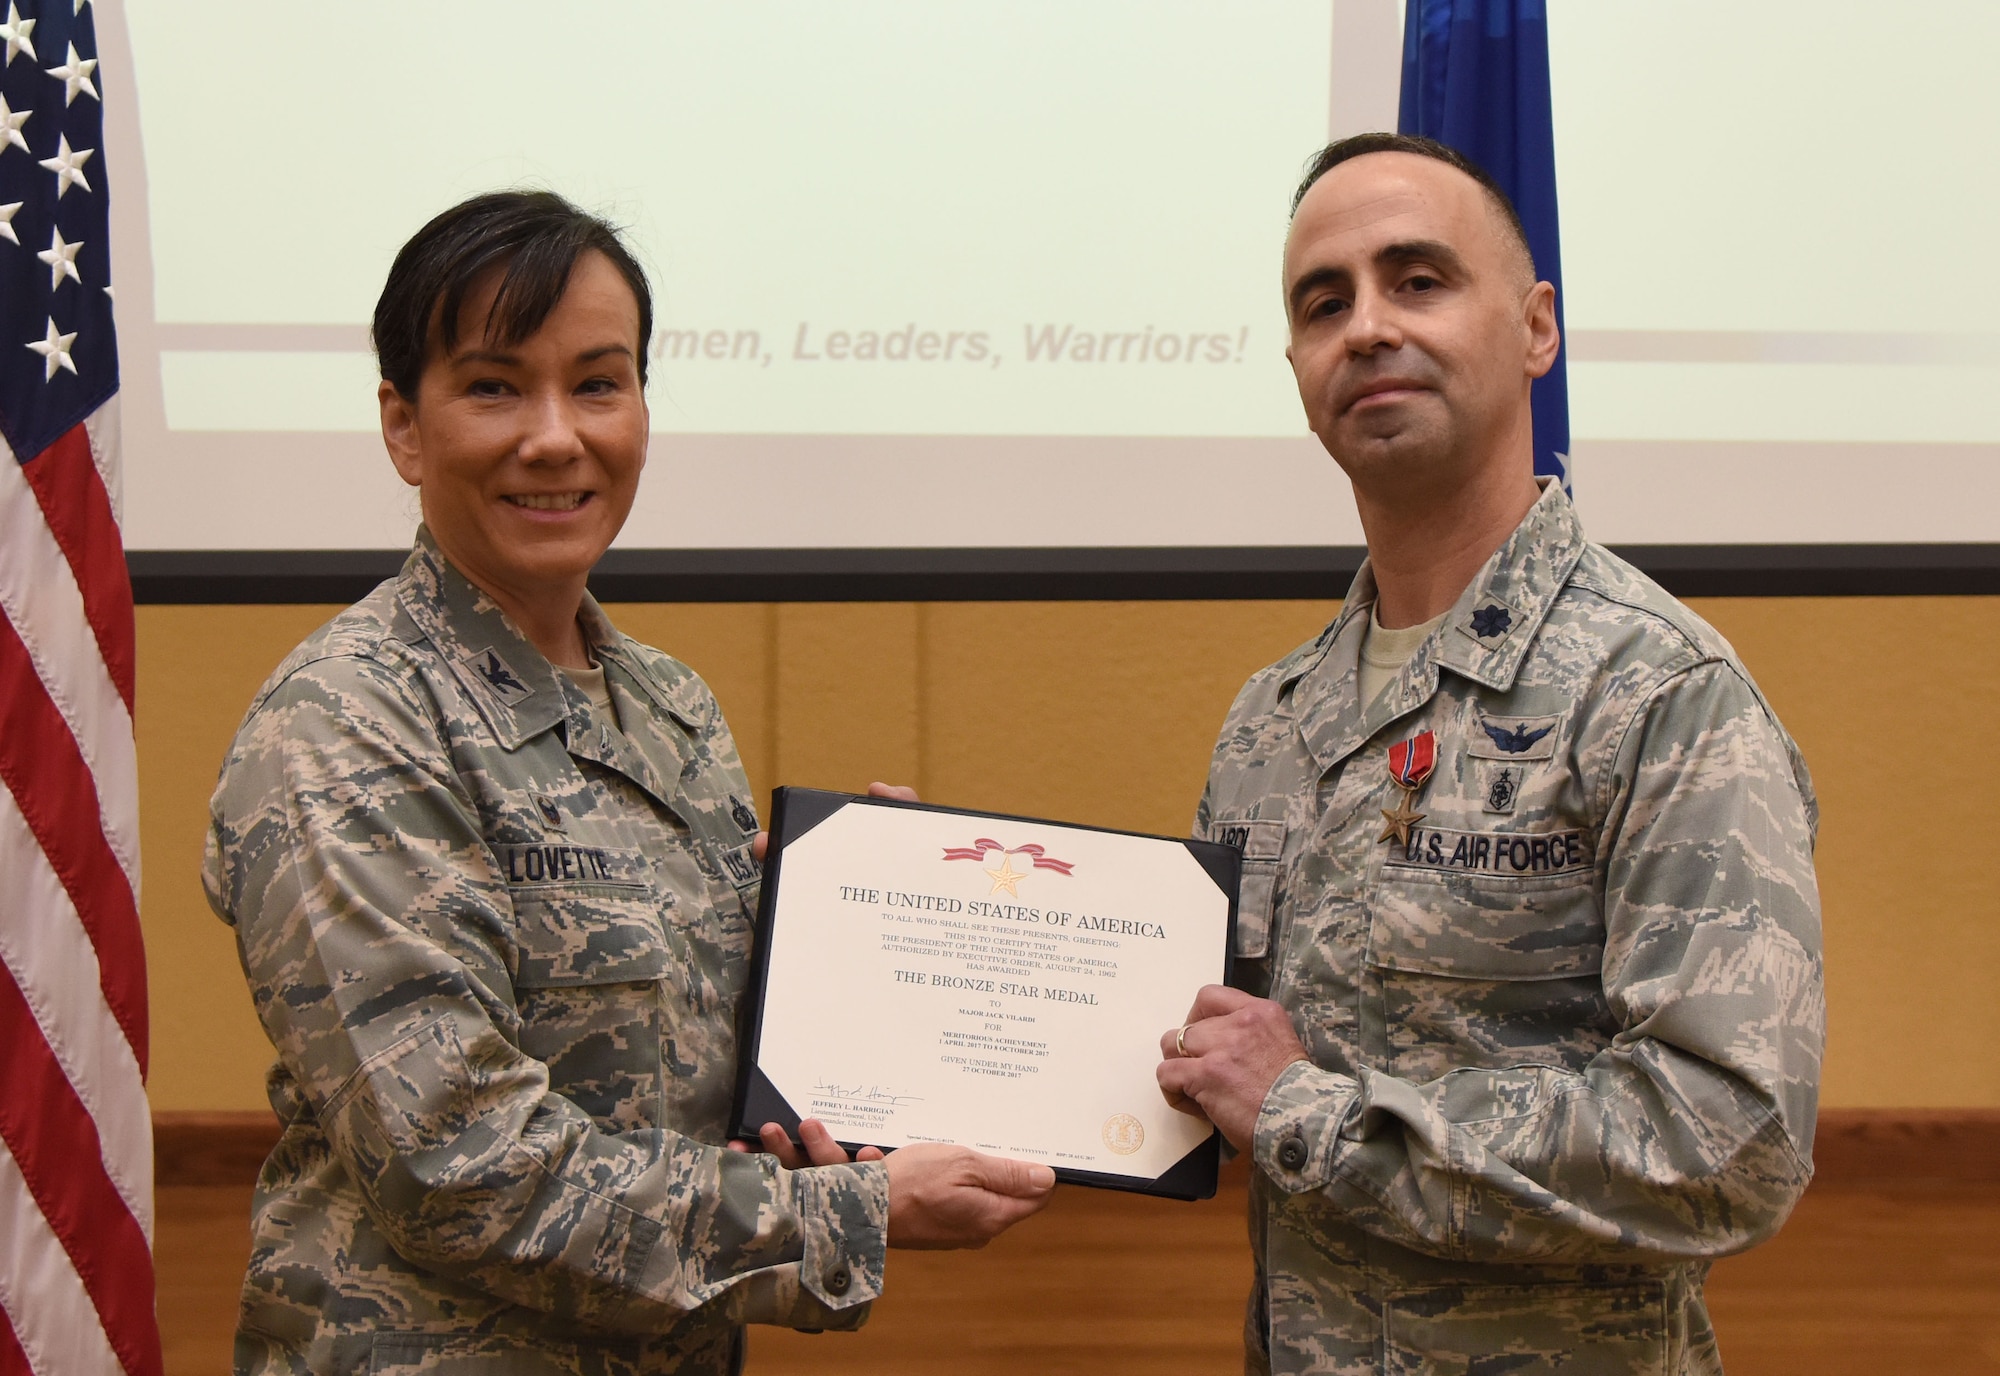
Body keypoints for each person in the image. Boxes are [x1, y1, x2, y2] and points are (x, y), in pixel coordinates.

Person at [203, 190, 1054, 1376]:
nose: (557, 436)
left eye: (598, 382)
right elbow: (457, 1165)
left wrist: (883, 922)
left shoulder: (669, 707)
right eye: (494, 386)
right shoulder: (346, 722)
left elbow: (691, 1058)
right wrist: (857, 1214)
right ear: (403, 425)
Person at [1155, 134, 1824, 1375]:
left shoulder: (1657, 692)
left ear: (1533, 328)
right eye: (1322, 300)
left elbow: (1729, 1143)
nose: (1363, 327)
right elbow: (1206, 1046)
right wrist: (907, 916)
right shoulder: (1268, 722)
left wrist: (1307, 1111)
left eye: (1415, 279)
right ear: (1296, 363)